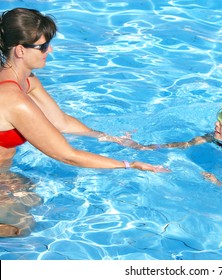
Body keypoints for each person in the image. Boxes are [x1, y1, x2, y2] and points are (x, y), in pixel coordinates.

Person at [0, 8, 168, 237]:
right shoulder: (13, 98)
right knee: (22, 231)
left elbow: (61, 122)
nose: (49, 50)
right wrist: (129, 165)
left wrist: (109, 138)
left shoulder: (26, 80)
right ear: (20, 50)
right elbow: (66, 155)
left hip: (4, 172)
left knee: (34, 197)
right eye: (42, 46)